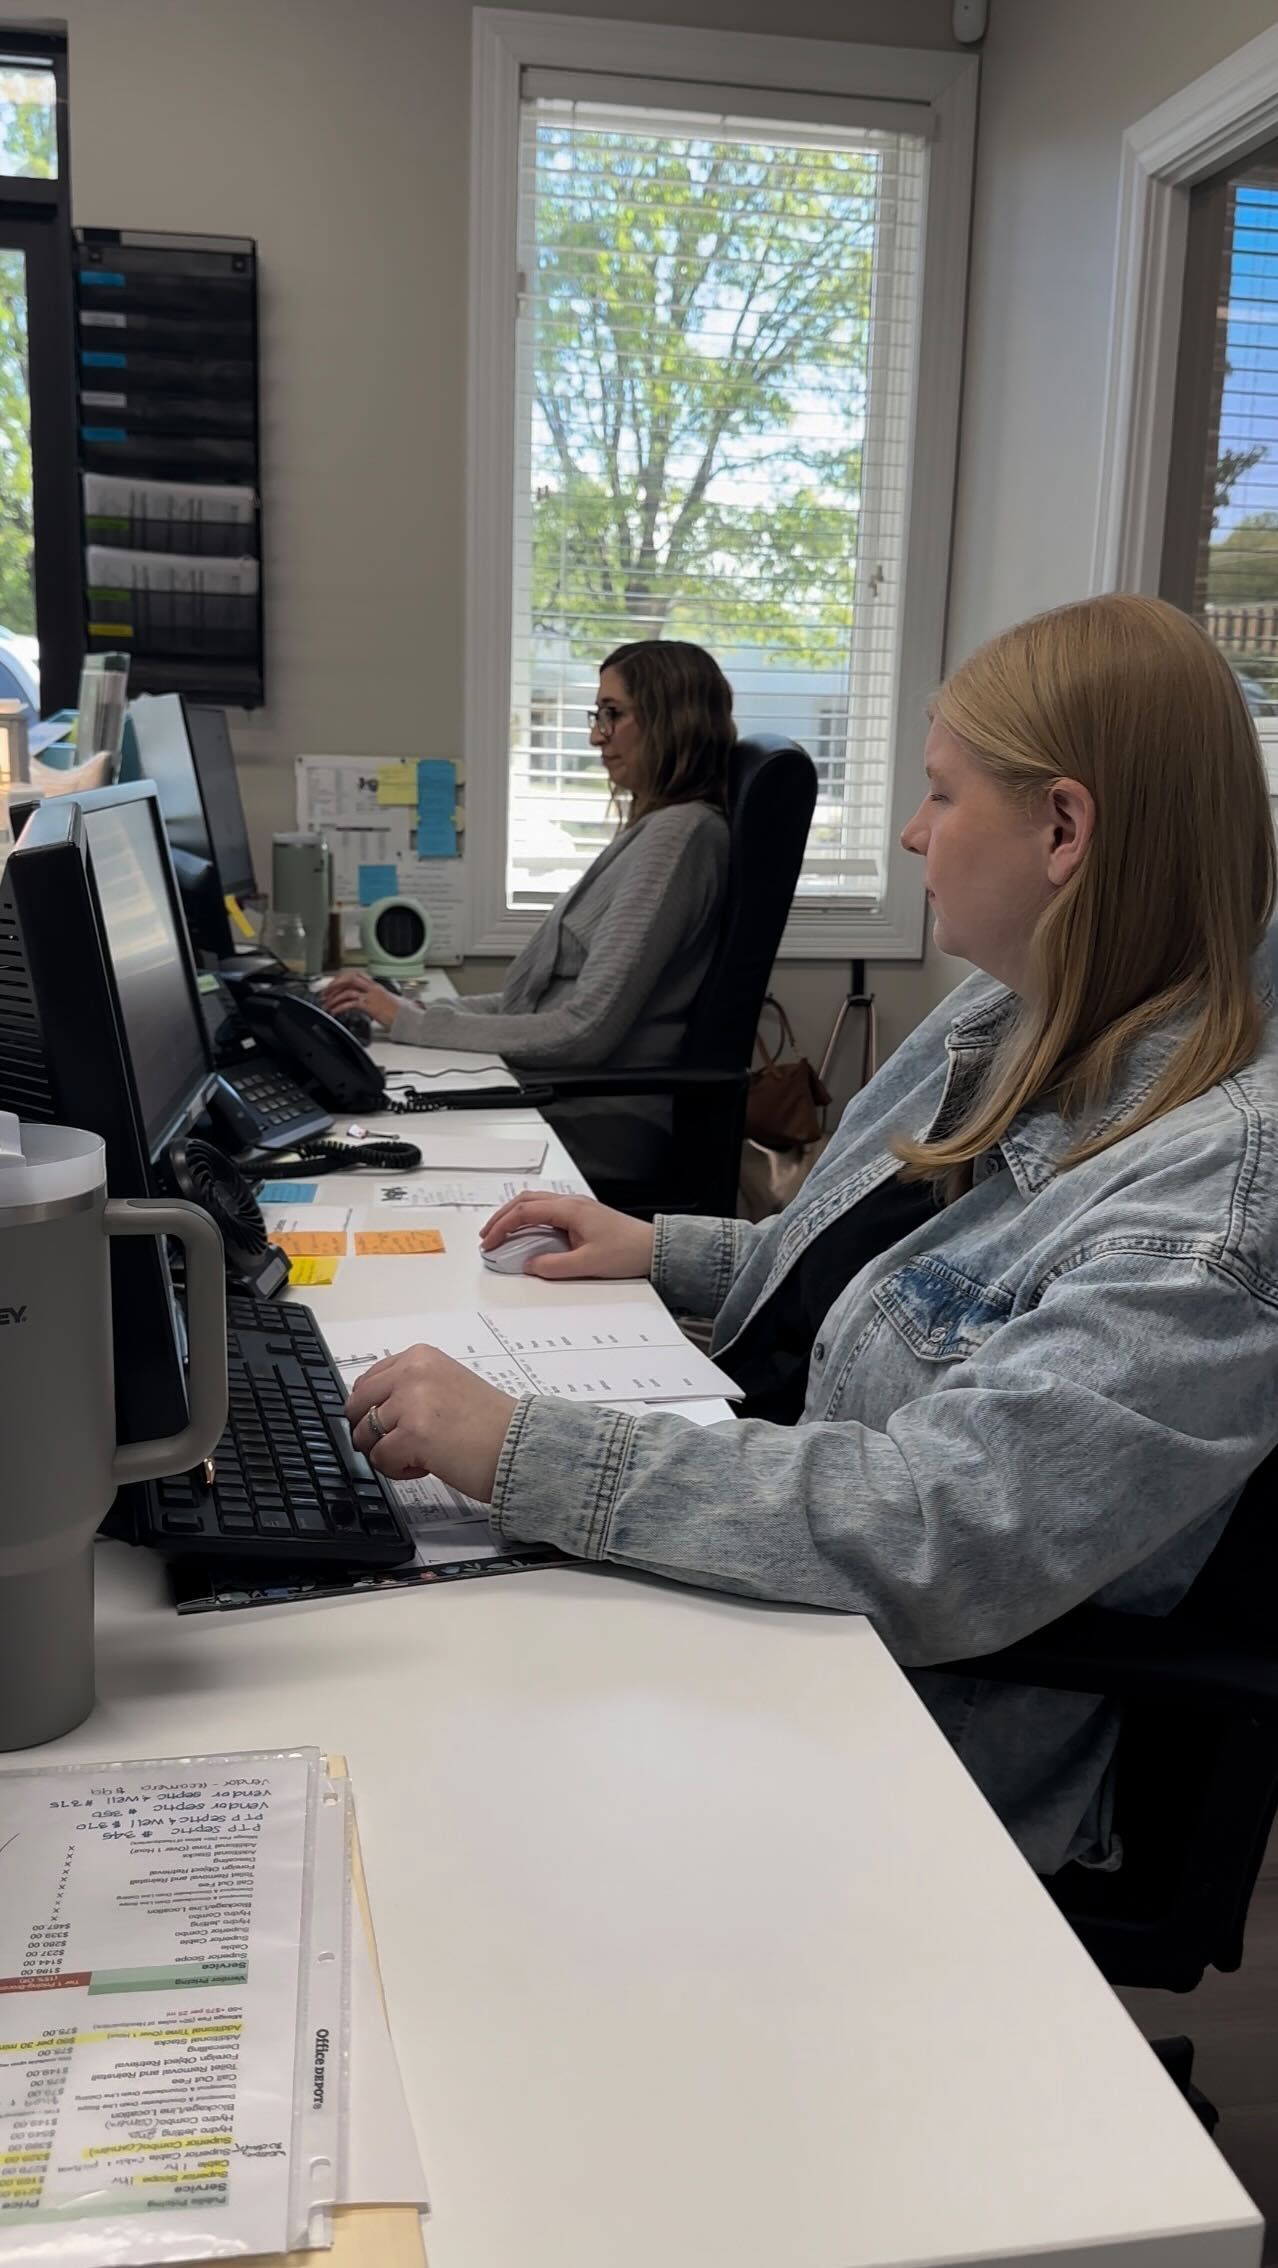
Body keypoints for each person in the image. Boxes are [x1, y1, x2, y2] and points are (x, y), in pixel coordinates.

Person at [343, 594, 1278, 1878]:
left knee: (430, 1800)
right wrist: (661, 1246)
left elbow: (939, 1530)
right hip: (781, 1583)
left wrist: (526, 1450)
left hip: (906, 1728)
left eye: (942, 798)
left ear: (1064, 828)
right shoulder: (998, 1027)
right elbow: (894, 1291)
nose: (911, 835)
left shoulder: (1211, 1201)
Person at [322, 640, 734, 1180]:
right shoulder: (651, 831)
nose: (596, 735)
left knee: (376, 1150)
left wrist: (412, 1023)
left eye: (613, 714)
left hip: (595, 1121)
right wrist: (405, 1012)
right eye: (598, 715)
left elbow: (582, 1031)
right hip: (563, 1098)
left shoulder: (678, 839)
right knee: (373, 1129)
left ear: (669, 720)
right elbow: (537, 1005)